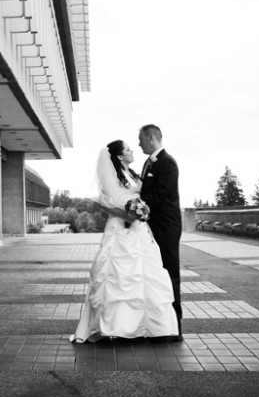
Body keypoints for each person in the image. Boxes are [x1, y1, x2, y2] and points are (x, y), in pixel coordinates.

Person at [70, 140, 179, 343]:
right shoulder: (112, 178)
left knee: (145, 276)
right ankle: (120, 327)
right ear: (120, 156)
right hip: (121, 229)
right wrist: (128, 214)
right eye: (128, 149)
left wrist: (140, 211)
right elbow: (106, 201)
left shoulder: (133, 174)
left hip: (139, 229)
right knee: (120, 277)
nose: (132, 150)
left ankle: (146, 327)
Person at [138, 123, 183, 338]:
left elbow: (161, 195)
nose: (138, 144)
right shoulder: (150, 162)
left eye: (141, 139)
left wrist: (136, 205)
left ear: (150, 138)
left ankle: (176, 327)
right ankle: (161, 325)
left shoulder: (167, 163)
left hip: (166, 226)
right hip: (154, 225)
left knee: (170, 273)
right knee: (158, 274)